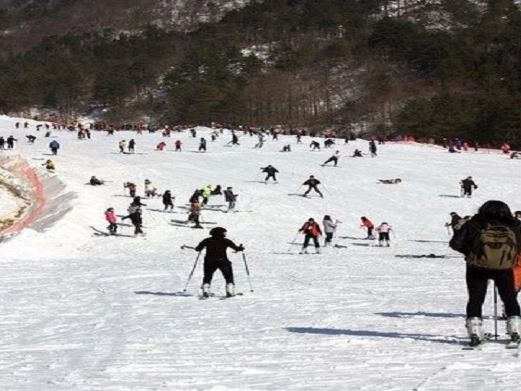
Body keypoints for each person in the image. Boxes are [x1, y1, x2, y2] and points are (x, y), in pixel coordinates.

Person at [449, 200, 521, 346]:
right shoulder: (515, 225)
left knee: (475, 299)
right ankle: (515, 330)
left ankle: (475, 331)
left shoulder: (474, 223)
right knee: (509, 298)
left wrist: (471, 253)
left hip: (476, 267)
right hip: (504, 267)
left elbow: (455, 244)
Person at [194, 227, 244, 298]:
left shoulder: (207, 240)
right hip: (222, 260)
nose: (225, 234)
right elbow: (236, 248)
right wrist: (241, 248)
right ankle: (229, 290)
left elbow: (197, 249)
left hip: (209, 260)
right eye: (224, 232)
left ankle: (206, 290)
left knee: (207, 276)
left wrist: (200, 248)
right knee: (228, 275)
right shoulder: (226, 241)